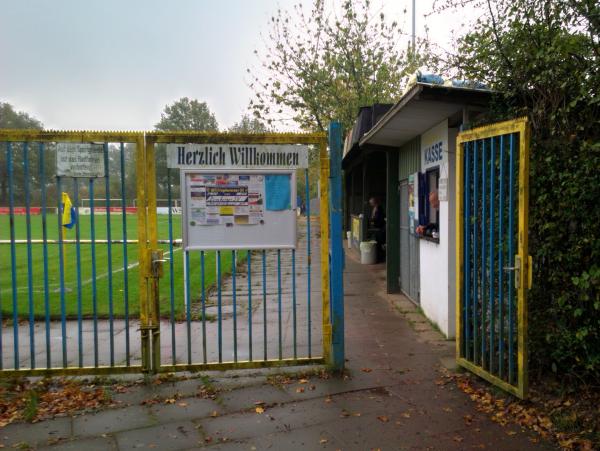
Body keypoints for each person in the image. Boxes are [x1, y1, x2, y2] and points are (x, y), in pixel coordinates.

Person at [368, 197, 386, 262]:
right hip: (376, 227)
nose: (371, 204)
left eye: (371, 203)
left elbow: (379, 218)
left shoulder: (379, 209)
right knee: (378, 243)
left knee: (379, 243)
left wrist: (372, 220)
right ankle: (379, 257)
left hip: (380, 228)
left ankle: (381, 257)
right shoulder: (375, 208)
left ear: (374, 202)